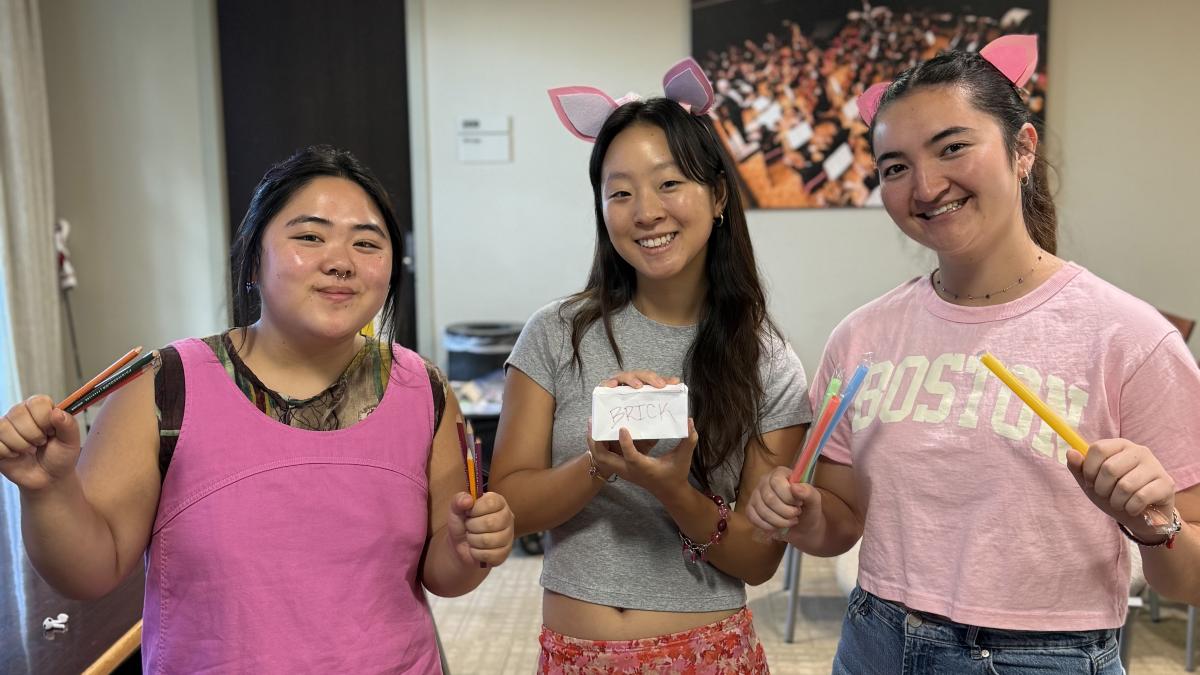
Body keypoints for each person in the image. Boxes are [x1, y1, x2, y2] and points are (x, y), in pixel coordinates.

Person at [746, 35, 1200, 674]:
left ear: (1023, 150)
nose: (926, 185)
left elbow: (1189, 579)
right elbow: (840, 527)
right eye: (895, 166)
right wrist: (802, 512)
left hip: (1045, 655)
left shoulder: (1130, 337)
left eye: (953, 146)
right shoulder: (861, 338)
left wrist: (1155, 526)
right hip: (876, 637)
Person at [0, 146, 514, 673]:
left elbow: (444, 576)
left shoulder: (424, 391)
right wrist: (48, 490)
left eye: (366, 243)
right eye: (309, 236)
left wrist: (468, 547)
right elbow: (90, 573)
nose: (340, 261)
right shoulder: (161, 388)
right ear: (252, 258)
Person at [490, 59, 812, 673]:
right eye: (620, 191)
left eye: (670, 184)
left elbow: (758, 560)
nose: (645, 212)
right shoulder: (557, 334)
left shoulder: (764, 358)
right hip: (574, 653)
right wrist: (599, 465)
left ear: (717, 195)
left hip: (708, 653)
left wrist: (670, 486)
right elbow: (509, 508)